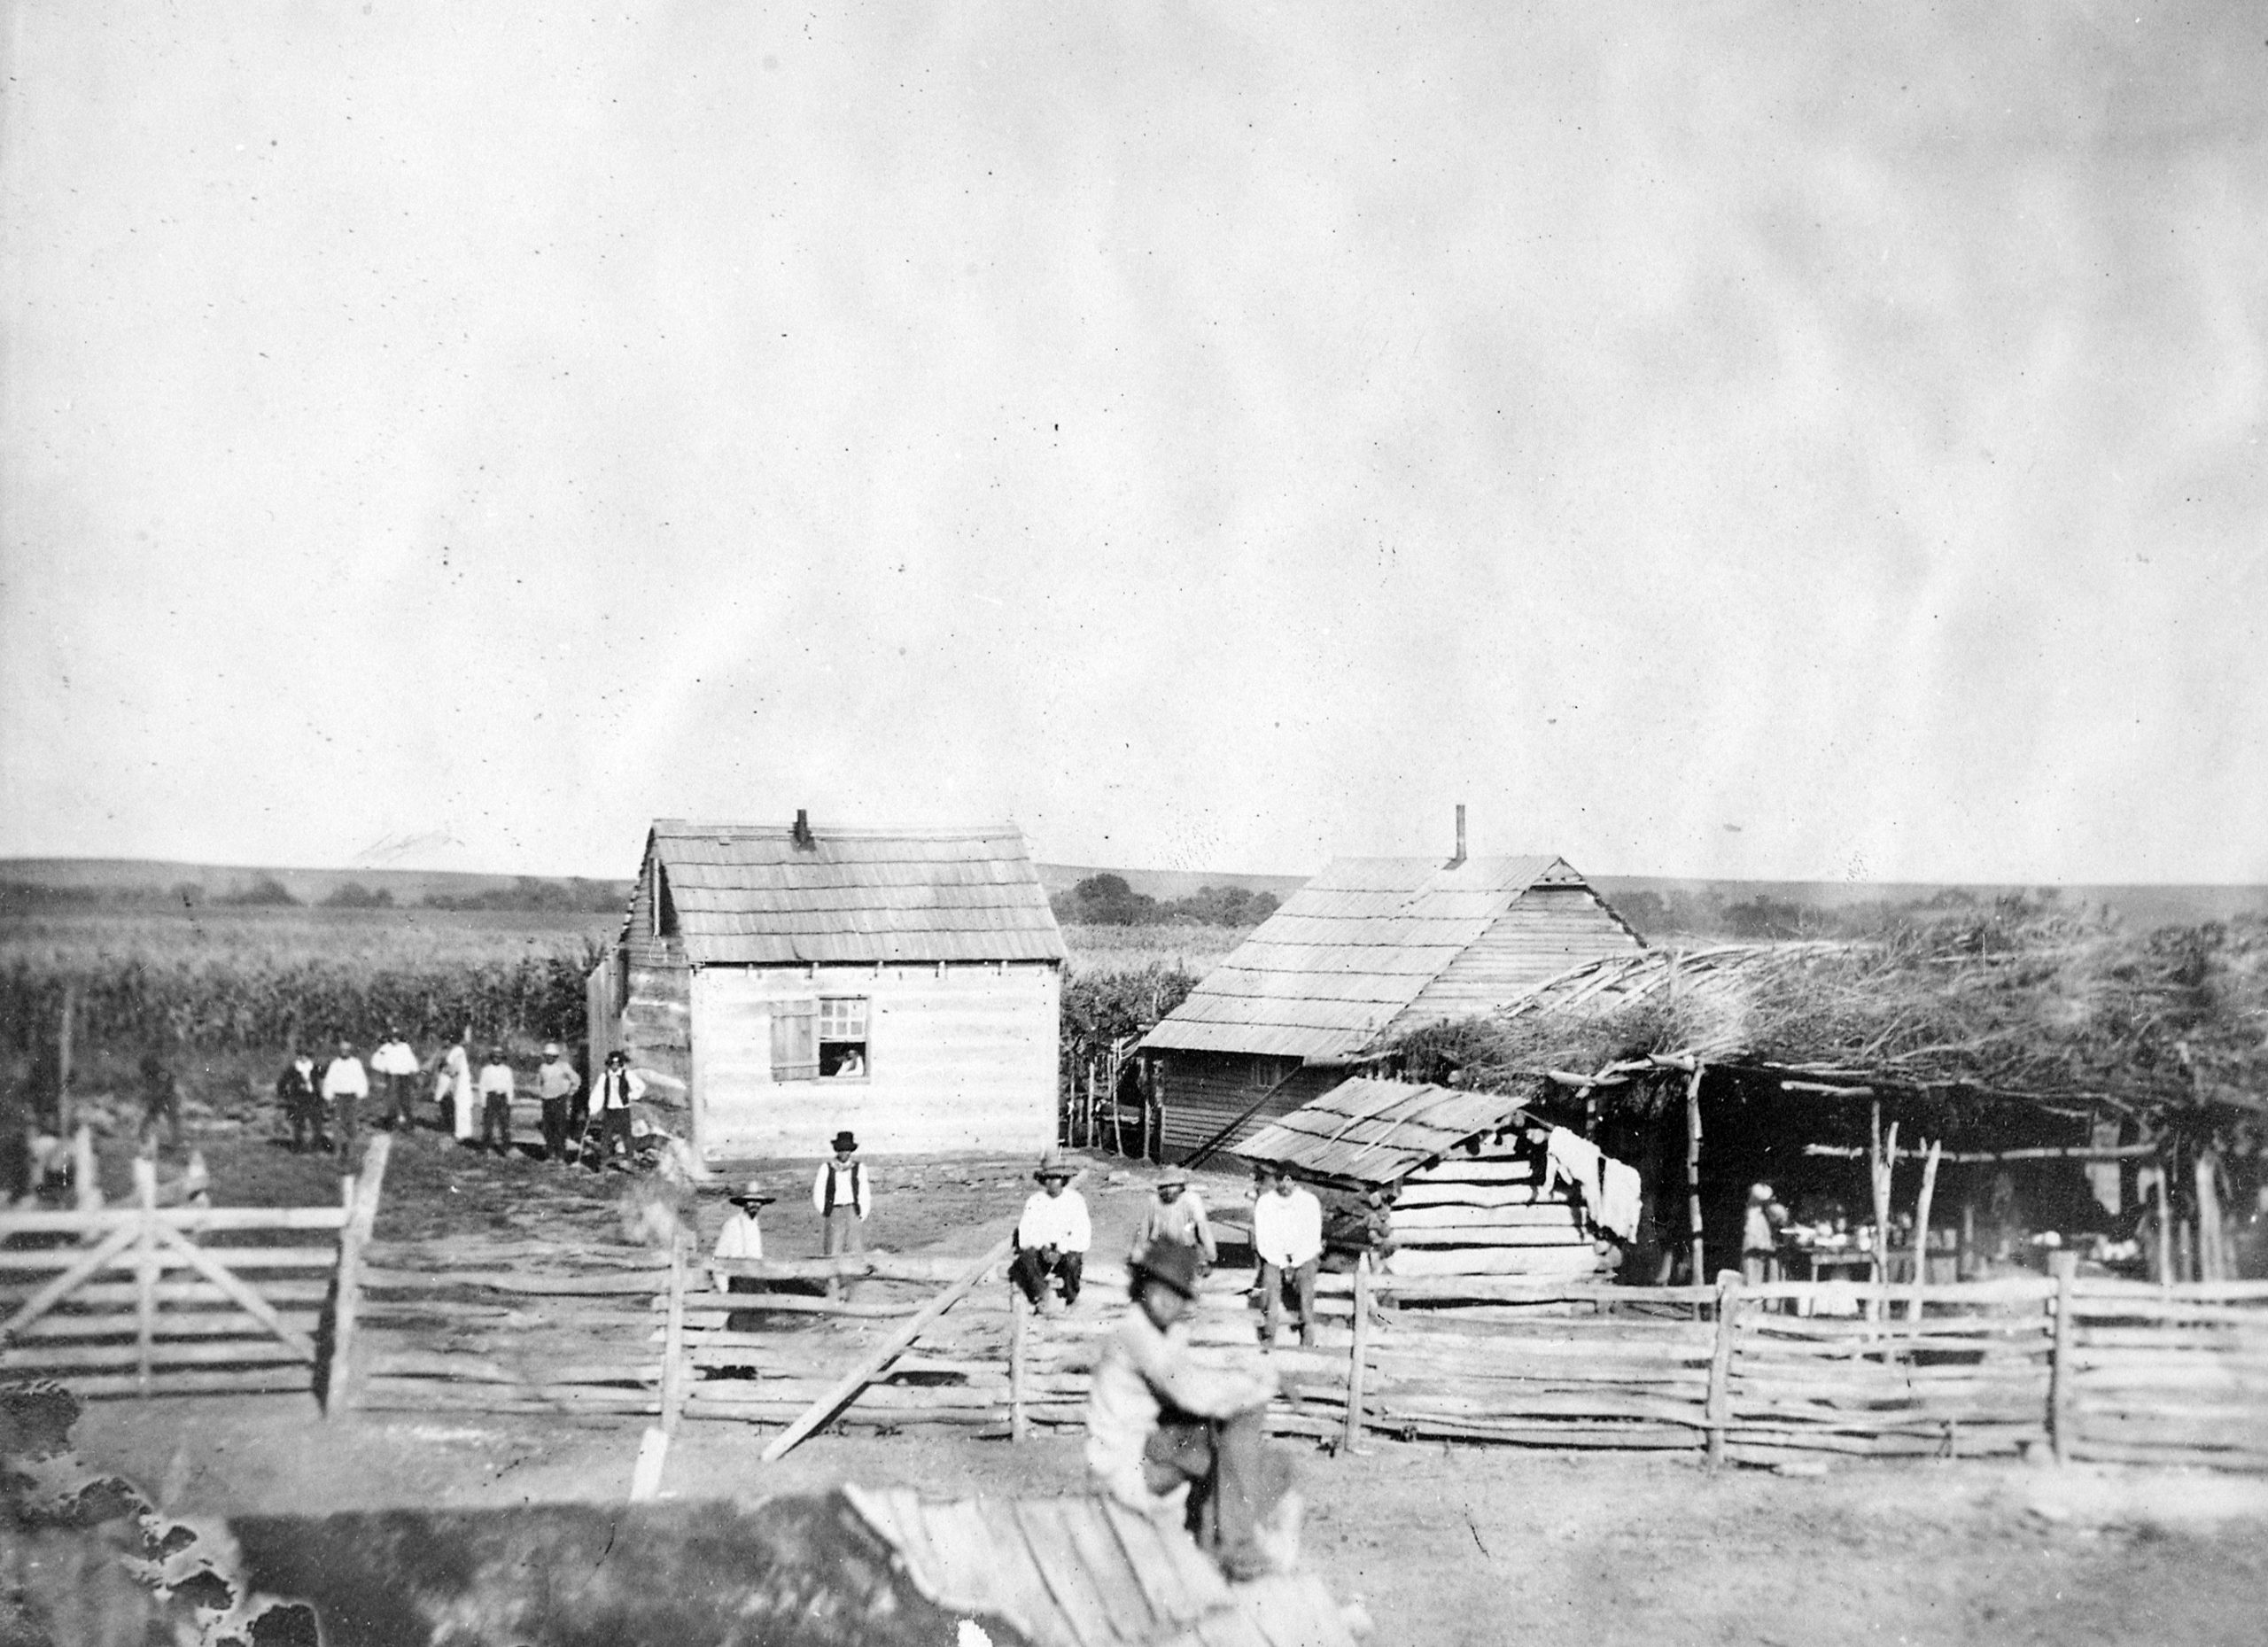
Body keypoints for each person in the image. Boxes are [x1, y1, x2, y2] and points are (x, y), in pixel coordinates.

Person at [1085, 1239, 1299, 1580]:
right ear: (1142, 1285)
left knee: (1268, 1465)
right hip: (1124, 1466)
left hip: (1143, 1455)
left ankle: (1215, 1544)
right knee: (1239, 1419)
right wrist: (1260, 1385)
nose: (1166, 1299)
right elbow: (1192, 1391)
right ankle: (1234, 1545)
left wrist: (1249, 1376)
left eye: (1177, 1292)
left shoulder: (1157, 1335)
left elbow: (1193, 1376)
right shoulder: (1135, 1334)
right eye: (1158, 1287)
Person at [1251, 1164, 1323, 1347]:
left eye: (1290, 1181)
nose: (1285, 1185)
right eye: (1281, 1180)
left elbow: (1313, 1238)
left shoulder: (1309, 1202)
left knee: (1307, 1282)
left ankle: (1307, 1327)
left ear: (1296, 1182)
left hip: (1303, 1255)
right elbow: (1264, 1239)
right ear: (1276, 1181)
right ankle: (1269, 1331)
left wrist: (1296, 1262)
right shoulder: (1266, 1203)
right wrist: (1282, 1263)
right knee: (1269, 1284)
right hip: (1275, 1256)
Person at [1014, 1152, 1091, 1312]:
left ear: (1063, 1179)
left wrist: (1062, 1248)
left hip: (1065, 1251)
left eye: (1056, 1178)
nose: (1051, 1183)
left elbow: (1083, 1235)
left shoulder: (1075, 1201)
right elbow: (1025, 1233)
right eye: (1047, 1179)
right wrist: (1042, 1247)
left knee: (1072, 1261)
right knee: (1027, 1258)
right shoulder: (1035, 1201)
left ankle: (1069, 1299)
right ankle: (1040, 1297)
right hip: (1042, 1252)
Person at [812, 1130, 870, 1296]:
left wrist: (861, 1213)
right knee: (832, 1251)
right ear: (836, 1150)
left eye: (847, 1149)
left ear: (851, 1151)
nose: (844, 1153)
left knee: (855, 1250)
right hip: (834, 1211)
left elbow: (864, 1191)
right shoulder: (827, 1168)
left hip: (852, 1210)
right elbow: (818, 1191)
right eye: (841, 1149)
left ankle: (854, 1293)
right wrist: (826, 1211)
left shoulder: (859, 1168)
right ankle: (833, 1292)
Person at [1130, 1165, 1216, 1269]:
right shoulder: (1154, 1201)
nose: (1168, 1190)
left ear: (1180, 1186)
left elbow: (1203, 1228)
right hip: (1162, 1250)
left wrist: (1209, 1253)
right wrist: (1137, 1254)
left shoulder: (1191, 1200)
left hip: (1182, 1250)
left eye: (1172, 1186)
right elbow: (1144, 1229)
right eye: (1164, 1187)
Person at [586, 1050, 646, 1169]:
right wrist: (593, 1107)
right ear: (609, 1064)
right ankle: (604, 1159)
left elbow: (641, 1087)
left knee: (626, 1135)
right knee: (606, 1135)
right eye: (612, 1064)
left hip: (623, 1110)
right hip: (610, 1110)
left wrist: (631, 1096)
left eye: (617, 1064)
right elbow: (598, 1092)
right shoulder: (604, 1076)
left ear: (621, 1064)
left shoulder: (627, 1075)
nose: (614, 1066)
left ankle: (629, 1158)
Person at [322, 1039, 369, 1165]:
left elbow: (362, 1080)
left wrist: (360, 1095)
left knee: (351, 1125)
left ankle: (350, 1154)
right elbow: (329, 1081)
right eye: (342, 1049)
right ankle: (337, 1153)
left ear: (351, 1050)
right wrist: (329, 1097)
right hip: (338, 1097)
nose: (344, 1052)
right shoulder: (335, 1064)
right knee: (337, 1125)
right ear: (339, 1050)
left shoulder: (356, 1064)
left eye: (347, 1050)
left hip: (352, 1097)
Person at [534, 1042, 582, 1161]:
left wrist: (571, 1091)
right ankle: (551, 1154)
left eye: (552, 1056)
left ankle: (561, 1155)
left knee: (560, 1127)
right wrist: (541, 1093)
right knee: (548, 1128)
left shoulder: (563, 1066)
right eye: (547, 1056)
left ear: (556, 1056)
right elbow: (538, 1083)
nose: (549, 1058)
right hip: (547, 1100)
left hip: (559, 1099)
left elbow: (576, 1079)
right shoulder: (543, 1067)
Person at [370, 1029, 420, 1130]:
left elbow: (411, 1060)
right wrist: (384, 1068)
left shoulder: (405, 1047)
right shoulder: (386, 1048)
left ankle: (408, 1123)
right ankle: (391, 1123)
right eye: (393, 1037)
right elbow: (376, 1059)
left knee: (405, 1099)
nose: (395, 1039)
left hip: (404, 1076)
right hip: (392, 1076)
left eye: (397, 1037)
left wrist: (414, 1070)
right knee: (392, 1099)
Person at [276, 1052, 322, 1153]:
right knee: (298, 1124)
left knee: (316, 1123)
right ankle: (299, 1146)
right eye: (301, 1055)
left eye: (306, 1055)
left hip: (313, 1098)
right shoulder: (293, 1069)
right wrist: (286, 1096)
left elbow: (325, 1077)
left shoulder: (315, 1068)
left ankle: (315, 1146)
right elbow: (281, 1083)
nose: (303, 1058)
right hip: (298, 1099)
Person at [136, 1051, 183, 1152]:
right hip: (161, 1098)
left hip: (168, 1097)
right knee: (151, 1117)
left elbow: (165, 1086)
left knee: (172, 1118)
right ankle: (143, 1138)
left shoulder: (161, 1073)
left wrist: (154, 1096)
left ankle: (174, 1142)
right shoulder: (152, 1074)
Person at [435, 1031, 477, 1144]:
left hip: (461, 1083)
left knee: (461, 1108)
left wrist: (445, 1071)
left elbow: (454, 1069)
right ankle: (463, 1133)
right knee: (462, 1107)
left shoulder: (457, 1051)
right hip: (461, 1082)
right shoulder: (458, 1051)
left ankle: (461, 1134)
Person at [1743, 1183, 1786, 1285]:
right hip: (1753, 1251)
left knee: (1762, 1280)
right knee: (1752, 1281)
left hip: (1761, 1251)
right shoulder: (1754, 1214)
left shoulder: (1762, 1214)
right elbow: (1754, 1238)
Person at [478, 1047, 517, 1155]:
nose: (497, 1058)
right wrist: (483, 1102)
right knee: (488, 1124)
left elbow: (510, 1086)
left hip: (502, 1098)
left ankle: (506, 1148)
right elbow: (482, 1086)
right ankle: (484, 1148)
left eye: (499, 1056)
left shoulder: (507, 1070)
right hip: (491, 1097)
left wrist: (509, 1101)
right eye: (494, 1056)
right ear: (491, 1057)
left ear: (502, 1058)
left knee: (504, 1124)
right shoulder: (486, 1070)